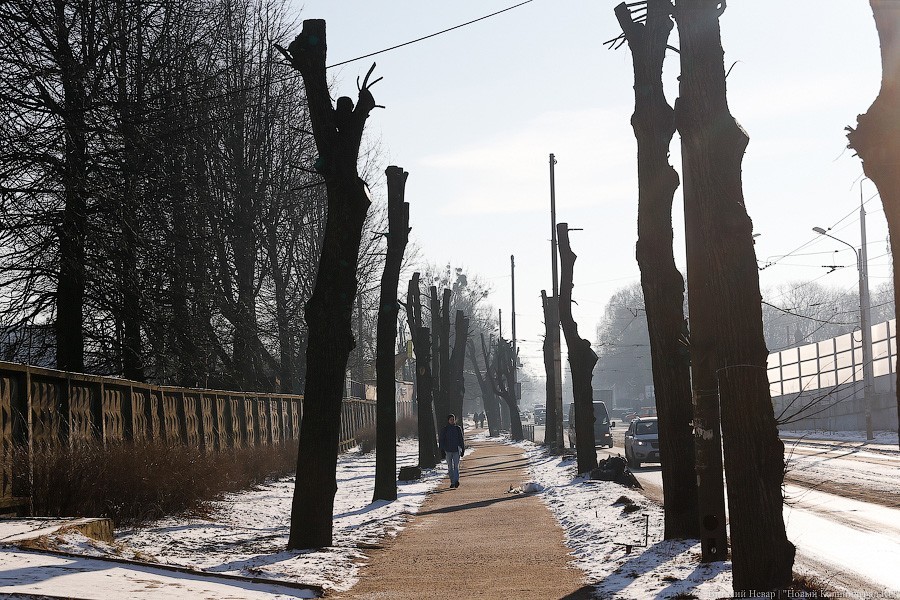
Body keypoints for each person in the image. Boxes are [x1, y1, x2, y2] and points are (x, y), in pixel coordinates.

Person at [439, 414, 466, 489]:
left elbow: (461, 439)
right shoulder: (445, 429)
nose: (452, 421)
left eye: (453, 419)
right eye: (451, 419)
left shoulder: (458, 428)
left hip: (456, 450)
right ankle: (452, 482)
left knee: (456, 466)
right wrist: (442, 450)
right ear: (448, 420)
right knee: (450, 467)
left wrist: (463, 449)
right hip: (448, 451)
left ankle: (456, 480)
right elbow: (441, 440)